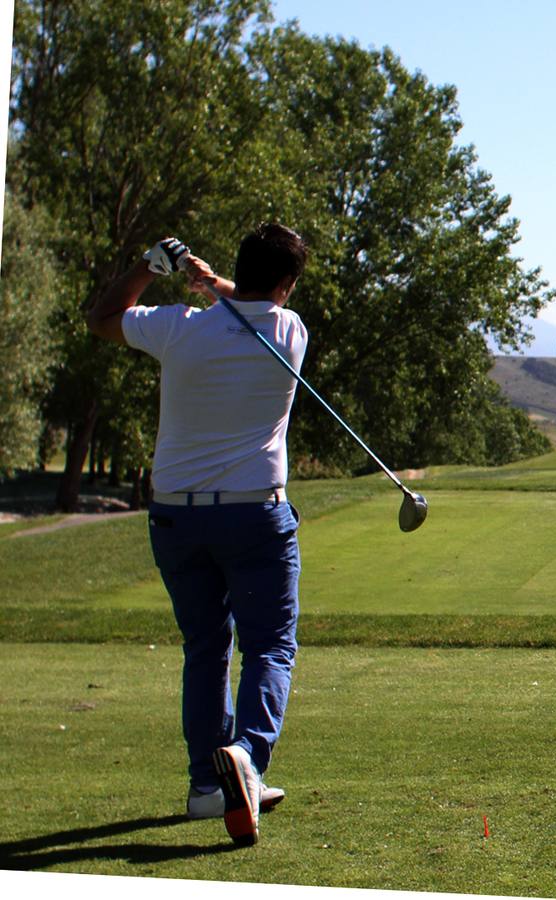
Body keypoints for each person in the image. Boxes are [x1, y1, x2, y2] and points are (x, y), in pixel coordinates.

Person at [85, 223, 312, 846]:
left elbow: (103, 317)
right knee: (269, 647)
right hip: (255, 515)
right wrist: (216, 285)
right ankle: (247, 756)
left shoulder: (177, 325)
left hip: (176, 515)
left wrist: (148, 267)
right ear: (287, 285)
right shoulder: (289, 334)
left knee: (207, 648)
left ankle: (208, 787)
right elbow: (255, 302)